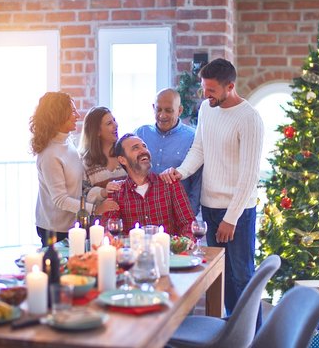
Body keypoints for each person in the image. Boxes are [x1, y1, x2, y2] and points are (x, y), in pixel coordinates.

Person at [160, 58, 264, 316]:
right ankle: (231, 334)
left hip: (237, 213)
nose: (206, 95)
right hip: (210, 208)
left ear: (230, 86)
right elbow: (199, 149)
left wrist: (231, 218)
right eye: (204, 89)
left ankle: (254, 337)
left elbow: (249, 175)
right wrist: (181, 172)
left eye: (212, 90)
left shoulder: (249, 118)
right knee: (221, 275)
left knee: (242, 276)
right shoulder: (207, 108)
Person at [29, 92, 118, 246]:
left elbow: (77, 187)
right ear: (58, 115)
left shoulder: (67, 143)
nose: (77, 115)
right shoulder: (50, 155)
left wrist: (102, 193)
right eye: (72, 111)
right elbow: (60, 199)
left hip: (72, 224)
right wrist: (96, 209)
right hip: (54, 228)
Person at [102, 133, 195, 238]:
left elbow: (188, 223)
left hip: (168, 252)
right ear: (122, 160)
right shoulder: (117, 192)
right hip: (132, 252)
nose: (143, 150)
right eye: (135, 148)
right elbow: (110, 229)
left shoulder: (169, 184)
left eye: (144, 146)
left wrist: (184, 243)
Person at [135, 88, 202, 216]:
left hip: (176, 213)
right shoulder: (140, 134)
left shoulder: (193, 138)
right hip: (143, 210)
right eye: (158, 109)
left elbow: (197, 183)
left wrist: (189, 215)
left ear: (180, 110)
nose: (162, 115)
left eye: (168, 110)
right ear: (153, 107)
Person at [79, 106, 127, 204]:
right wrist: (103, 192)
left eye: (114, 120)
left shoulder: (125, 155)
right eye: (109, 123)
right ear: (97, 131)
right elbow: (83, 194)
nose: (116, 125)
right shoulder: (86, 162)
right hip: (100, 217)